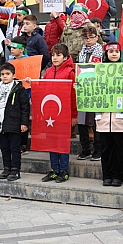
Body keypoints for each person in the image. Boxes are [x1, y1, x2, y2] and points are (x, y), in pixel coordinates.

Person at [0, 63, 30, 181]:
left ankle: (15, 170)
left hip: (14, 123)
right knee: (4, 148)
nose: (5, 76)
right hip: (1, 124)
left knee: (15, 148)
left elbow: (25, 107)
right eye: (2, 74)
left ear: (14, 75)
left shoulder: (19, 89)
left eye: (7, 74)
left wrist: (24, 123)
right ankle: (6, 168)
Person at [39, 43, 77, 183]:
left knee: (62, 143)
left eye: (58, 55)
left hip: (64, 113)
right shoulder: (48, 71)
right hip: (50, 114)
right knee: (52, 143)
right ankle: (54, 170)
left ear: (65, 57)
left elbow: (73, 96)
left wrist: (74, 115)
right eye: (53, 55)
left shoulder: (70, 72)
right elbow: (42, 91)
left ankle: (64, 170)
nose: (55, 58)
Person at [96, 42, 123, 187]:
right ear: (106, 53)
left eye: (117, 51)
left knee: (120, 150)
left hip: (121, 119)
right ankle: (107, 175)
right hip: (103, 119)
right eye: (111, 52)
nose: (114, 54)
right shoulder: (98, 70)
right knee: (105, 150)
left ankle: (118, 176)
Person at [75, 25, 104, 161]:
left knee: (96, 121)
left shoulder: (101, 51)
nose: (88, 40)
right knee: (82, 122)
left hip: (97, 90)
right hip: (83, 90)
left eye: (91, 37)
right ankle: (85, 149)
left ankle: (97, 150)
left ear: (97, 37)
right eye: (85, 38)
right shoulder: (82, 52)